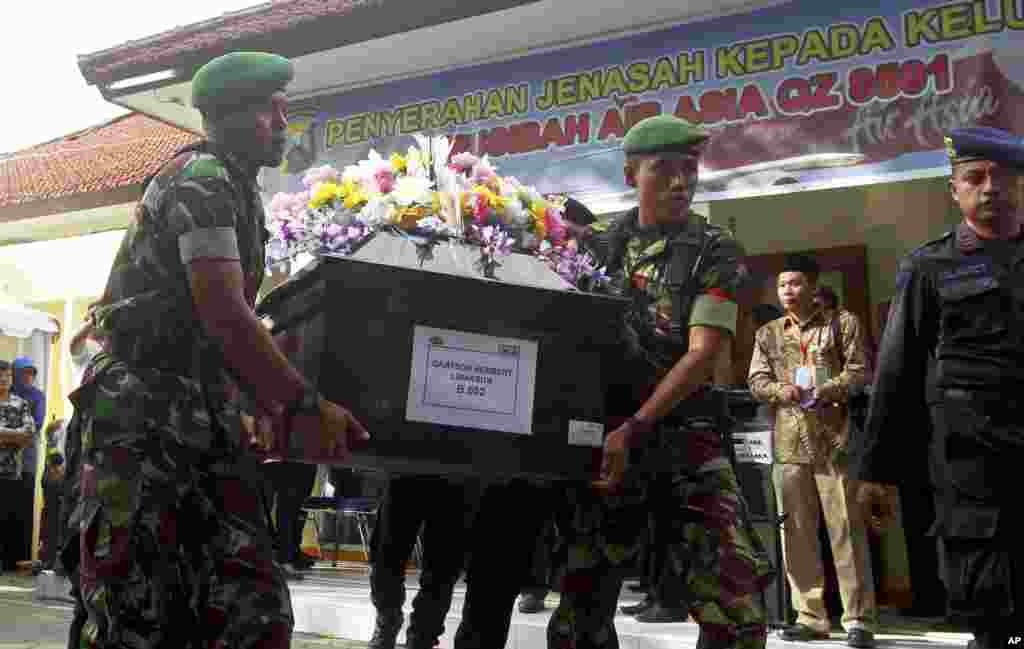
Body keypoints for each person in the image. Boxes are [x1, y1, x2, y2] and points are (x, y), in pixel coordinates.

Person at [64, 51, 369, 649]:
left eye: (282, 107)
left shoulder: (238, 190)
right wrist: (300, 404)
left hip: (200, 414)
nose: (283, 121)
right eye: (268, 109)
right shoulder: (200, 178)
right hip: (141, 415)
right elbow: (225, 312)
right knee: (138, 617)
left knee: (253, 614)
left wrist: (255, 403)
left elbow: (221, 326)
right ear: (228, 116)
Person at [546, 114, 775, 649]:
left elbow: (703, 354)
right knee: (580, 617)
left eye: (689, 169)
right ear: (631, 175)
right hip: (606, 446)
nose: (680, 182)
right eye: (663, 169)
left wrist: (636, 426)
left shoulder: (714, 248)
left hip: (683, 439)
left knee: (736, 615)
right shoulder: (597, 247)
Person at [851, 126, 1024, 649]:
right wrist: (876, 473)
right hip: (972, 469)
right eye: (974, 178)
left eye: (1003, 177)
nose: (990, 187)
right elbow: (897, 370)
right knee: (987, 607)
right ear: (955, 190)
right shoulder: (929, 266)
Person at [747, 255, 877, 647]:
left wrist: (829, 388)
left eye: (796, 283)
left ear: (814, 286)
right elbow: (756, 378)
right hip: (788, 441)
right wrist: (777, 390)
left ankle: (858, 620)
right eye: (783, 284)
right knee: (796, 535)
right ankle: (811, 616)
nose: (788, 290)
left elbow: (859, 372)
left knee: (846, 532)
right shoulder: (768, 333)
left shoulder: (843, 323)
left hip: (833, 439)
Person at [368, 475, 474, 649]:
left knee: (442, 570)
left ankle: (422, 637)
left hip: (457, 477)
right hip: (407, 469)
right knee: (384, 559)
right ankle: (387, 622)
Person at [0, 359, 37, 573]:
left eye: (8, 376)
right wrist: (14, 436)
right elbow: (20, 435)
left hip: (10, 472)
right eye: (1, 376)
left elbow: (29, 435)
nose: (4, 379)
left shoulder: (20, 404)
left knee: (6, 521)